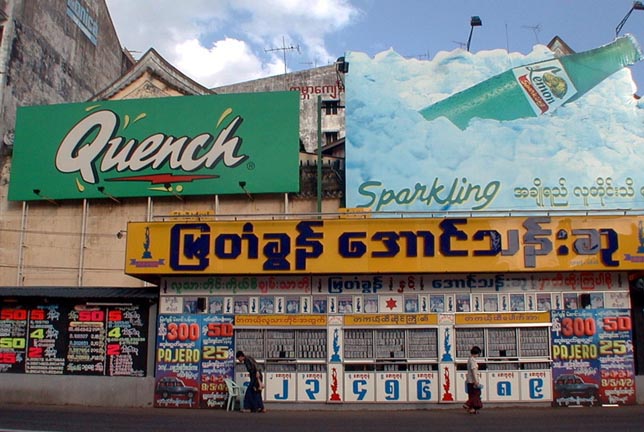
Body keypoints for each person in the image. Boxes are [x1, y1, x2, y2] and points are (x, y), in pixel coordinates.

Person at [463, 346, 483, 414]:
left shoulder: (469, 359)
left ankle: (472, 409)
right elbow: (474, 371)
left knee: (471, 394)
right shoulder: (473, 361)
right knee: (477, 394)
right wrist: (476, 381)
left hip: (469, 380)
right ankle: (467, 404)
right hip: (473, 380)